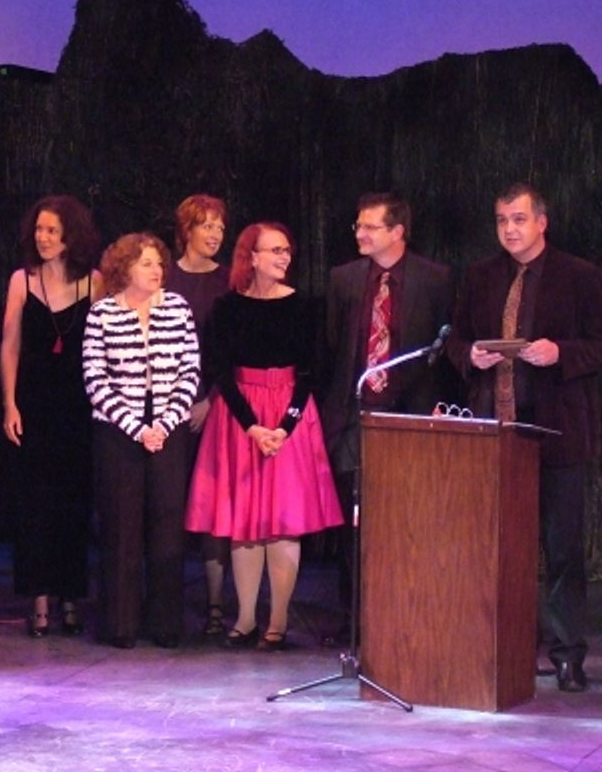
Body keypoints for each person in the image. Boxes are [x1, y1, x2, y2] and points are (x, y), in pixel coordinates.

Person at [446, 183, 602, 693]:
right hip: (497, 431)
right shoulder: (481, 275)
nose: (509, 229)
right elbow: (456, 340)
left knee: (562, 548)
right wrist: (470, 356)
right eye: (501, 221)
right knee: (498, 545)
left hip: (556, 431)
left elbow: (597, 344)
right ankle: (505, 648)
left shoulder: (579, 276)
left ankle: (567, 655)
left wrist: (562, 353)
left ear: (542, 222)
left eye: (518, 219)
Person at [185, 222, 343, 651]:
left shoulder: (304, 306)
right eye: (274, 250)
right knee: (245, 522)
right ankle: (245, 618)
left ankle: (278, 621)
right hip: (240, 418)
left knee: (284, 521)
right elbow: (220, 372)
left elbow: (311, 374)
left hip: (290, 416)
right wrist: (251, 426)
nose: (283, 257)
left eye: (286, 250)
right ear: (251, 257)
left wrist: (283, 428)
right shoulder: (227, 307)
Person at [320, 192, 452, 643]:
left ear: (397, 232)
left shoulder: (435, 279)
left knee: (407, 521)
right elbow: (333, 347)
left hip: (410, 415)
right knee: (354, 525)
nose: (360, 233)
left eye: (369, 227)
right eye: (358, 225)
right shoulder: (344, 279)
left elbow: (444, 349)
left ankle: (404, 615)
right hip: (355, 415)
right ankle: (355, 619)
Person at [82, 232, 199, 649]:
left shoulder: (177, 308)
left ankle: (166, 624)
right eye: (147, 263)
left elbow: (190, 372)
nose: (156, 270)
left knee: (167, 523)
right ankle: (120, 624)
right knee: (120, 525)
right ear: (125, 268)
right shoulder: (102, 314)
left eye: (159, 263)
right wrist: (136, 428)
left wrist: (164, 424)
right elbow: (95, 380)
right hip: (118, 432)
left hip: (168, 428)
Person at [0, 195, 103, 637]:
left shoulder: (94, 282)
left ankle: (70, 596)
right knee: (34, 503)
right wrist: (9, 403)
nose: (42, 238)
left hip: (79, 405)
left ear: (71, 237)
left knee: (73, 503)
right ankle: (39, 598)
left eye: (52, 231)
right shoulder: (22, 280)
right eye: (39, 230)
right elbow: (10, 345)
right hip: (34, 404)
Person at [164, 193, 231, 640]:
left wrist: (208, 399)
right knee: (168, 505)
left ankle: (215, 605)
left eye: (220, 227)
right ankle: (164, 604)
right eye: (206, 225)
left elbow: (232, 349)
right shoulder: (164, 276)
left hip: (215, 404)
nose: (215, 234)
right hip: (168, 406)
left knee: (212, 505)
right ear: (187, 229)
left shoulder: (229, 281)